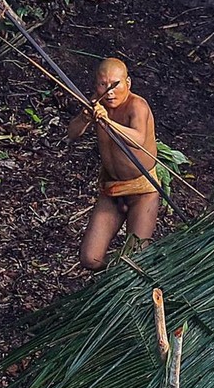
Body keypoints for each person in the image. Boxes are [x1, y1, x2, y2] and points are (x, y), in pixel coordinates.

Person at [66, 58, 160, 271]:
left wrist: (107, 122)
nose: (108, 92)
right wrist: (85, 117)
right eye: (102, 84)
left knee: (137, 259)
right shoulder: (97, 105)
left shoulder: (137, 106)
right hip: (112, 189)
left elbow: (137, 138)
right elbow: (72, 134)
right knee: (90, 258)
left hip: (142, 192)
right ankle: (114, 274)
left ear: (128, 83)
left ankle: (129, 282)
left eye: (115, 85)